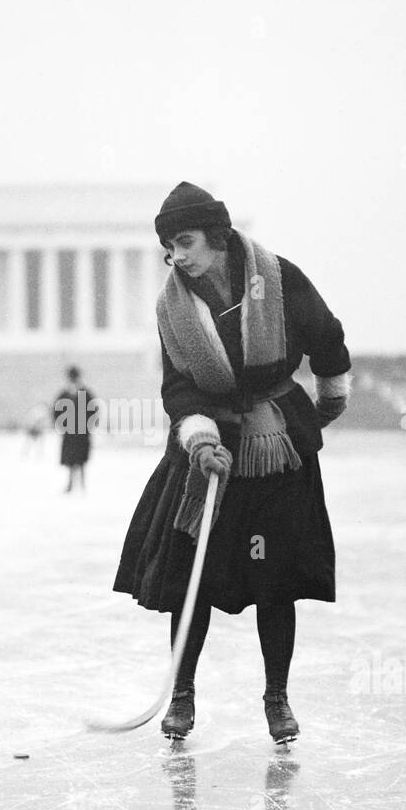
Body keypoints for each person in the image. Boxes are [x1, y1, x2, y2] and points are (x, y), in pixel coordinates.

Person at [113, 182, 352, 743]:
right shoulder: (172, 307)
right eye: (169, 247)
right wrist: (199, 440)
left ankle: (277, 698)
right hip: (209, 443)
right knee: (187, 579)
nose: (178, 256)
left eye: (187, 241)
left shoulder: (280, 277)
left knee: (277, 577)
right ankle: (181, 695)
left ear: (217, 236)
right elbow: (177, 386)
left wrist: (328, 401)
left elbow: (327, 337)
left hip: (277, 446)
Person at [53, 365, 97, 493]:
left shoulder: (85, 393)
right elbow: (56, 411)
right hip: (70, 432)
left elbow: (93, 410)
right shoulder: (64, 394)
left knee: (82, 459)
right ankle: (71, 484)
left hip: (82, 433)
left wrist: (89, 425)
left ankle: (82, 485)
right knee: (71, 459)